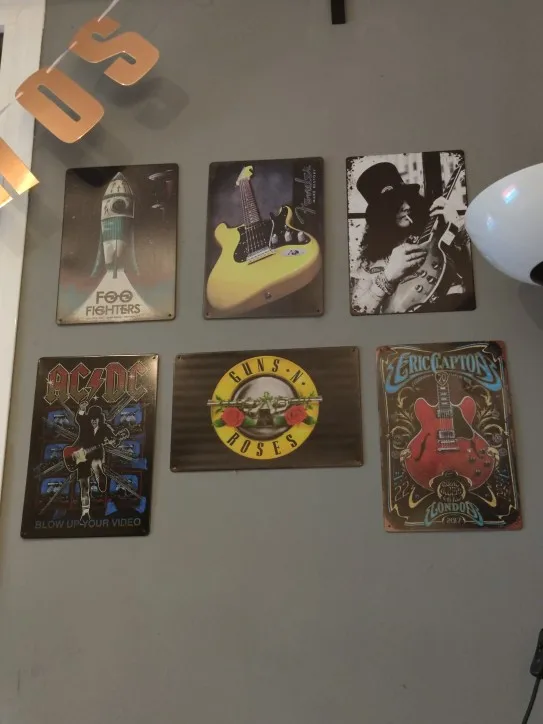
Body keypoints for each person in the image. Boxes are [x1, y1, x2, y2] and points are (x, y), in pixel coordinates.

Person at [350, 161, 474, 314]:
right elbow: (357, 311)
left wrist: (457, 227)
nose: (407, 207)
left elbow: (478, 275)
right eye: (396, 203)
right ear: (381, 214)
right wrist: (388, 276)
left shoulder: (438, 231)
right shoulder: (367, 262)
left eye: (407, 198)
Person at [71, 401, 118, 523]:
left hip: (96, 455)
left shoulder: (105, 428)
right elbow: (79, 417)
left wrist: (114, 441)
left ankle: (99, 475)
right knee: (84, 485)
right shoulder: (84, 424)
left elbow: (114, 439)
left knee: (96, 463)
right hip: (81, 457)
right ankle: (85, 512)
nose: (93, 421)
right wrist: (82, 408)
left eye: (96, 418)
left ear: (100, 419)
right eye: (91, 418)